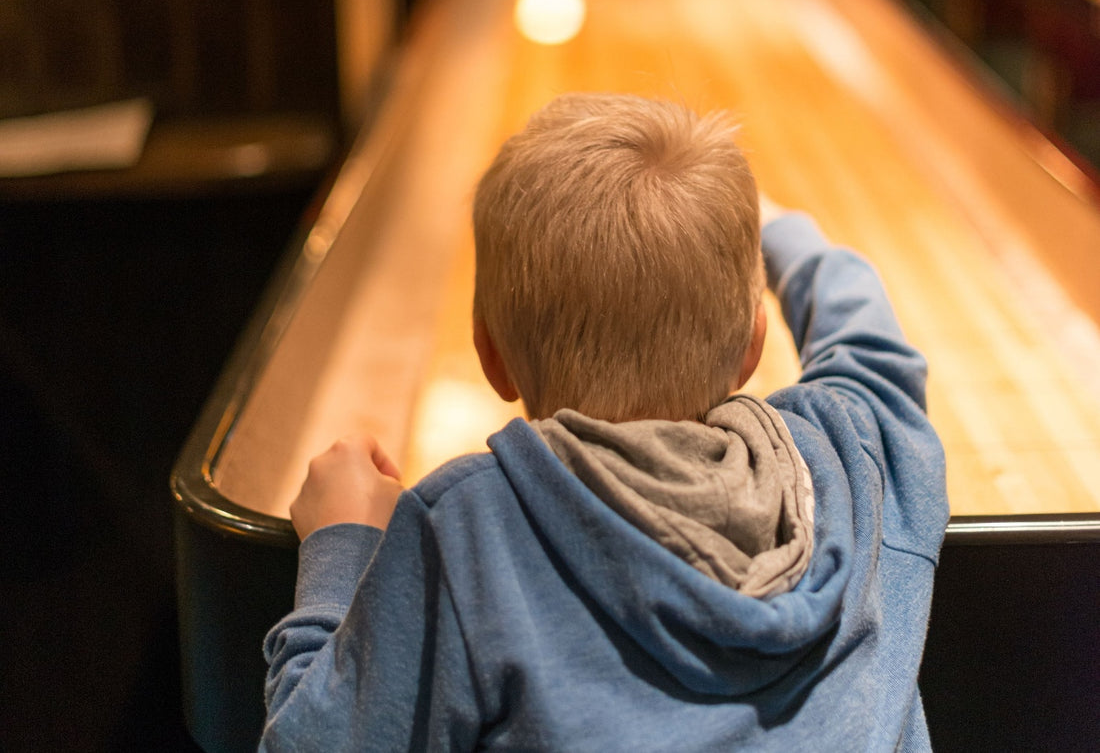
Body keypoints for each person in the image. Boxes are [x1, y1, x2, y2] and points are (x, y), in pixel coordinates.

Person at [260, 92, 948, 751]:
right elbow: (872, 342)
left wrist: (344, 543)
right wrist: (780, 232)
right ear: (754, 346)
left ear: (490, 357)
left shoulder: (467, 531)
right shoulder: (853, 456)